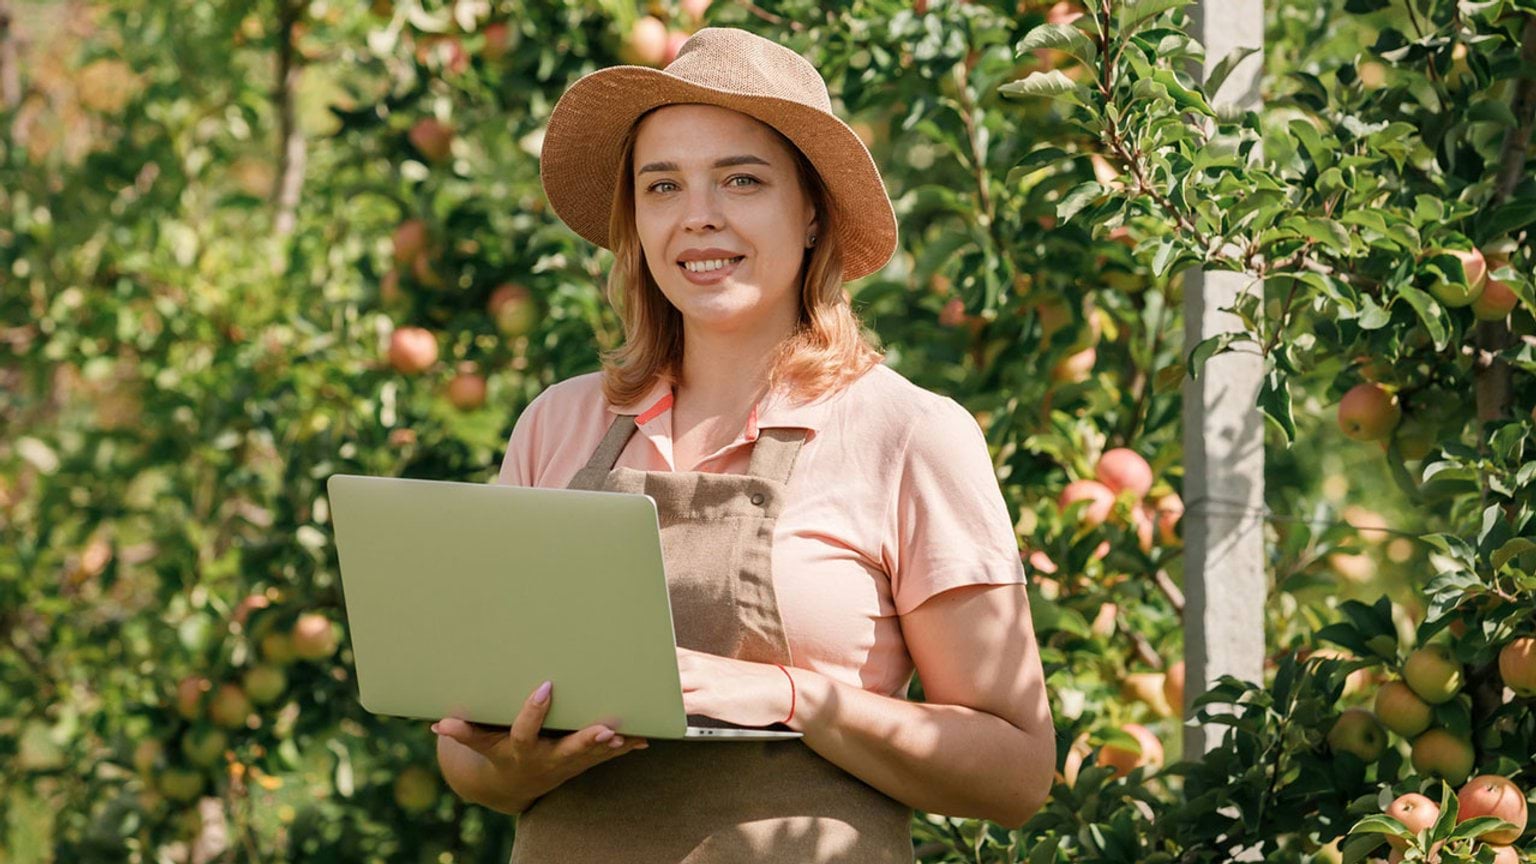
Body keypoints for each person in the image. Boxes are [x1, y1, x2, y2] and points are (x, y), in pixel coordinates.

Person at [429, 26, 1054, 864]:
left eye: (742, 180)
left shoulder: (908, 434)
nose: (699, 218)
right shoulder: (559, 426)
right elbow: (467, 759)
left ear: (811, 215)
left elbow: (1014, 774)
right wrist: (516, 765)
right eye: (663, 186)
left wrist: (790, 697)